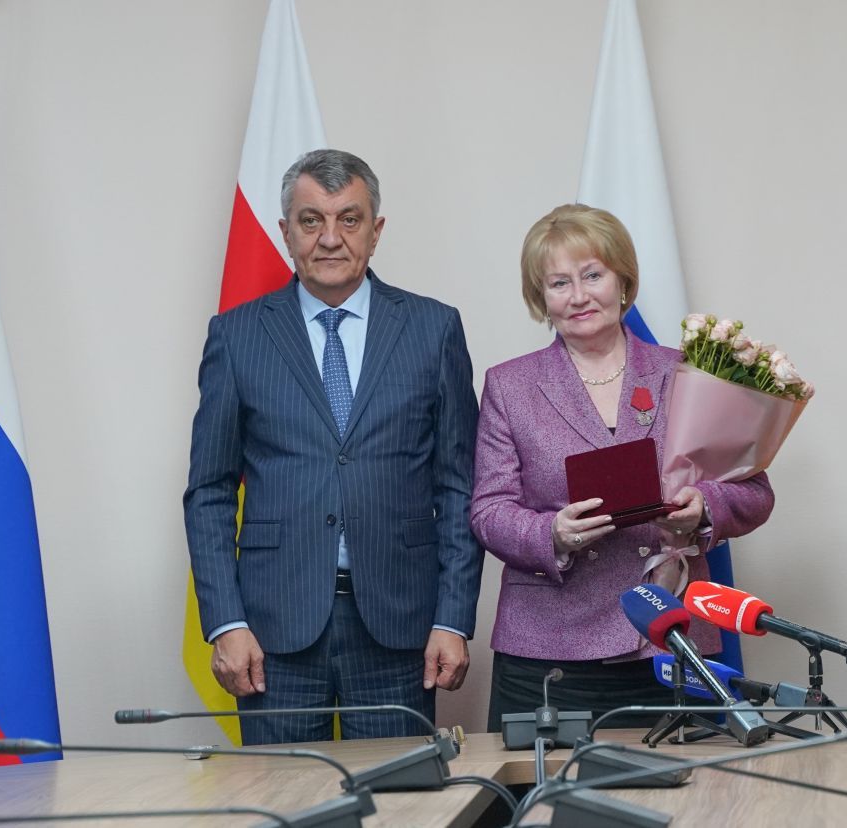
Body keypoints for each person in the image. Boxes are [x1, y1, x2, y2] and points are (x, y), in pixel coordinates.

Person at [184, 149, 482, 744]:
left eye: (349, 219)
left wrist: (453, 617)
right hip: (271, 631)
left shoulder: (434, 329)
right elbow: (209, 492)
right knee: (284, 793)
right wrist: (226, 622)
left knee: (399, 792)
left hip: (401, 626)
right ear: (285, 231)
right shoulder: (237, 336)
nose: (329, 238)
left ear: (376, 230)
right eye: (310, 220)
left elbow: (459, 487)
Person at [471, 204, 775, 731]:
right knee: (545, 788)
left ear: (623, 281)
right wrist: (552, 533)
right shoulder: (509, 385)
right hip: (550, 649)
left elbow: (755, 490)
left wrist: (704, 507)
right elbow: (488, 510)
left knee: (684, 784)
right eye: (559, 283)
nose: (579, 296)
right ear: (541, 297)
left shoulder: (685, 373)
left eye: (593, 275)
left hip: (671, 638)